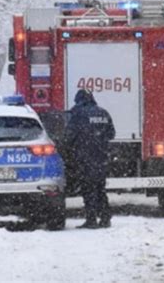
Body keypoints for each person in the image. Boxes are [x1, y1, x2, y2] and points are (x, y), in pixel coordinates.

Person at [63, 89, 115, 229]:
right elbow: (111, 134)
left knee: (88, 189)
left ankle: (91, 220)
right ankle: (105, 218)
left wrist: (68, 148)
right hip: (101, 157)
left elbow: (69, 136)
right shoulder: (103, 112)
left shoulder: (77, 113)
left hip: (85, 158)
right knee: (100, 189)